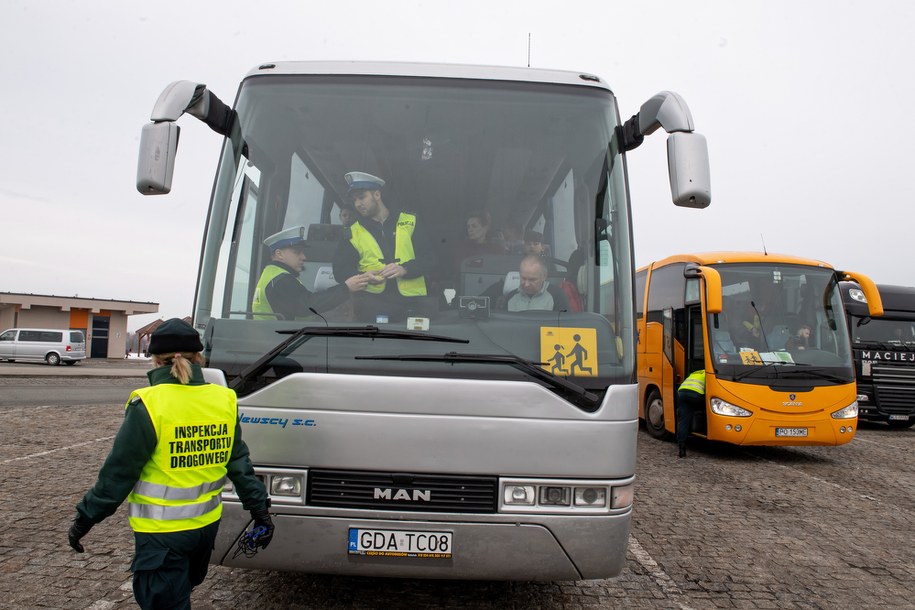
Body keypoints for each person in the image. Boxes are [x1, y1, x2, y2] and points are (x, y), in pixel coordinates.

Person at [67, 318, 274, 610]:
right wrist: (260, 510)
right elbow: (239, 463)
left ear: (156, 359)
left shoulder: (149, 404)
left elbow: (119, 473)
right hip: (205, 530)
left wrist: (85, 519)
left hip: (161, 535)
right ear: (198, 357)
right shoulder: (223, 399)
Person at [333, 171, 437, 321]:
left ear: (377, 195)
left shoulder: (410, 221)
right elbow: (339, 271)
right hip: (371, 306)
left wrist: (405, 269)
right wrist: (363, 277)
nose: (357, 204)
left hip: (412, 305)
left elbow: (430, 259)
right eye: (354, 200)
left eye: (362, 197)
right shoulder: (351, 231)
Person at [253, 226, 372, 321]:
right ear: (279, 254)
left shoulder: (272, 274)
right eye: (297, 252)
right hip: (282, 341)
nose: (303, 257)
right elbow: (308, 305)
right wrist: (346, 288)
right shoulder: (281, 280)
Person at [497, 254, 570, 312]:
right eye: (523, 278)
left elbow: (565, 323)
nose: (526, 284)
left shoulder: (557, 296)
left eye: (532, 280)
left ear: (544, 276)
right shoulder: (511, 297)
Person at [676, 369, 706, 458]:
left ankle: (682, 449)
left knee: (683, 421)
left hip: (681, 392)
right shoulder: (709, 372)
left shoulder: (696, 372)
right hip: (696, 394)